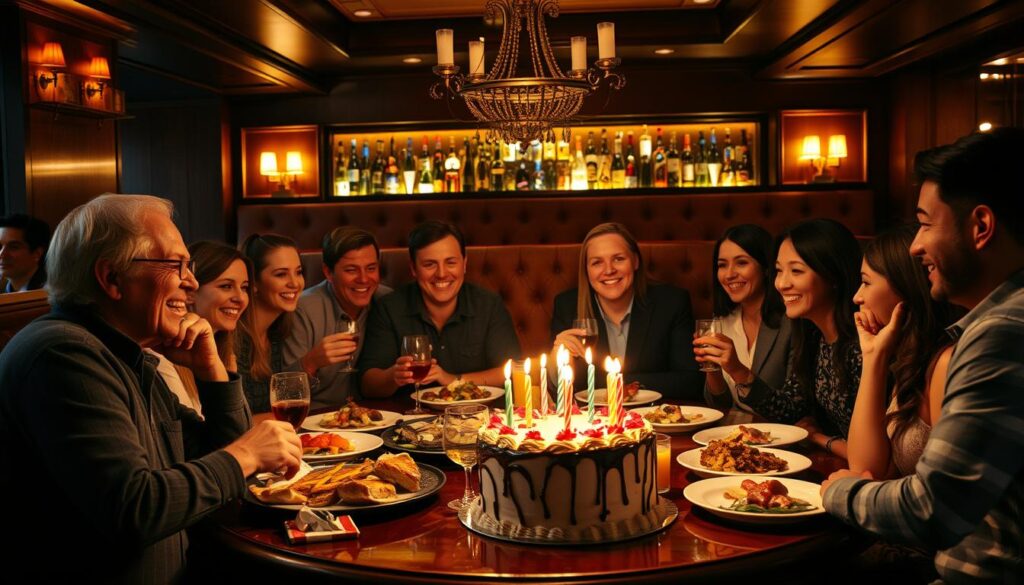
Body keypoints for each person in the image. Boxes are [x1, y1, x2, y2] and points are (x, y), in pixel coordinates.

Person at [0, 194, 300, 583]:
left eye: (189, 267)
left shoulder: (128, 353)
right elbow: (134, 509)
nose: (191, 282)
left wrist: (211, 372)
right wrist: (246, 455)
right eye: (176, 265)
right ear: (111, 278)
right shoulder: (63, 353)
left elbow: (223, 466)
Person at [823, 128, 1024, 583]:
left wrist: (840, 493)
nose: (916, 246)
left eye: (926, 224)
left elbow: (934, 509)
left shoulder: (1002, 332)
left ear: (981, 227)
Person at [846, 225, 962, 478]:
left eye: (866, 282)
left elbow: (948, 488)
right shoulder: (910, 358)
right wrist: (873, 357)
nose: (857, 297)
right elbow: (866, 468)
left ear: (905, 287)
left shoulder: (944, 362)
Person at [742, 218, 862, 459]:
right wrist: (736, 369)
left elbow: (876, 454)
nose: (781, 284)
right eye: (778, 270)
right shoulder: (813, 335)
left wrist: (818, 438)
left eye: (796, 271)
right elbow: (789, 409)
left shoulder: (862, 344)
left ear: (833, 276)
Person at [359, 220, 521, 397]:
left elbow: (513, 369)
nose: (442, 274)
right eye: (430, 264)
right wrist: (393, 376)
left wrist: (453, 380)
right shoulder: (389, 308)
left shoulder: (488, 305)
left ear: (464, 264)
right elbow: (367, 384)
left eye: (450, 263)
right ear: (413, 268)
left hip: (479, 411)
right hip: (407, 413)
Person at [551, 222, 702, 399]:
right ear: (586, 270)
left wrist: (624, 384)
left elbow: (690, 380)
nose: (609, 270)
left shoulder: (671, 302)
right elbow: (558, 391)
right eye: (597, 262)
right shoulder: (567, 306)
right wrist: (557, 359)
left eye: (618, 259)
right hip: (591, 415)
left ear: (636, 261)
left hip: (654, 413)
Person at [283, 226, 391, 409]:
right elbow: (285, 393)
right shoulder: (301, 309)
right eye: (351, 270)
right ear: (328, 272)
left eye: (371, 268)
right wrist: (311, 362)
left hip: (376, 415)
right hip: (316, 417)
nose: (364, 279)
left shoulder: (386, 301)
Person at [695, 224, 792, 412]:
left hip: (777, 428)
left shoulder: (791, 323)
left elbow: (790, 410)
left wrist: (736, 368)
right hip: (735, 428)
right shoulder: (721, 321)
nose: (729, 274)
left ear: (766, 267)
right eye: (722, 265)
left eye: (741, 263)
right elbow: (718, 406)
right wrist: (712, 368)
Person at [154, 240, 252, 416]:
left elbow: (238, 425)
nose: (240, 298)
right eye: (226, 286)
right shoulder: (163, 358)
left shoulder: (226, 354)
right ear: (190, 291)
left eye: (244, 288)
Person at [236, 233, 304, 413]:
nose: (295, 283)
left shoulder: (276, 333)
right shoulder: (235, 338)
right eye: (281, 274)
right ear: (253, 282)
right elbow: (239, 422)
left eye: (298, 272)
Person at [0, 213, 50, 292]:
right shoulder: (3, 289)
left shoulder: (51, 292)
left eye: (13, 247)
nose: (2, 254)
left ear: (37, 254)